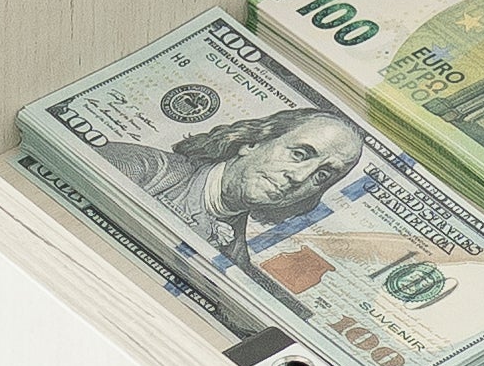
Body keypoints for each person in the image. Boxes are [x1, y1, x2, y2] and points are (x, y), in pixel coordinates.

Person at [117, 90, 365, 271]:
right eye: (299, 154)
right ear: (253, 142)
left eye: (322, 176)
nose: (299, 177)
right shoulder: (142, 167)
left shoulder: (235, 262)